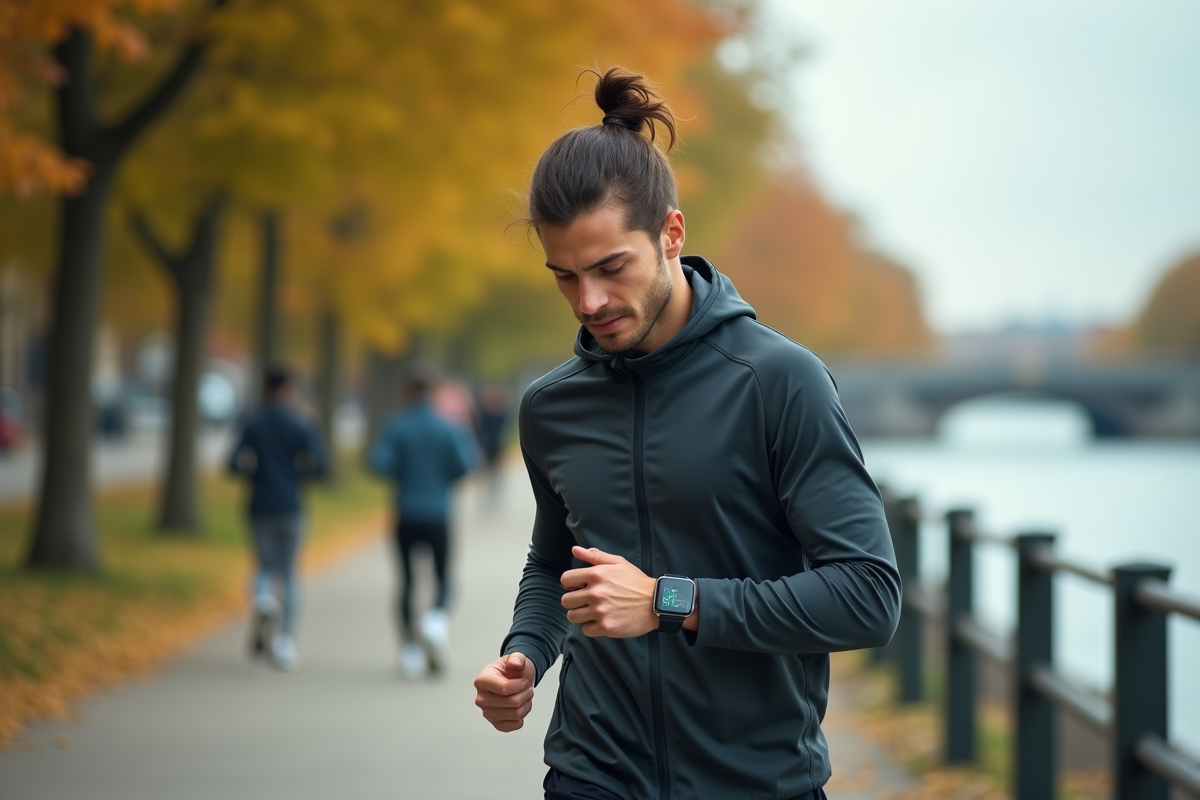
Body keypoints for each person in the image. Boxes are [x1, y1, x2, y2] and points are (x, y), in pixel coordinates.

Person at [472, 67, 902, 800]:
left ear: (671, 233)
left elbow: (867, 595)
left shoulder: (778, 382)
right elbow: (554, 565)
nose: (591, 301)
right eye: (565, 277)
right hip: (589, 778)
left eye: (611, 267)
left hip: (758, 783)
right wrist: (524, 656)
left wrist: (672, 600)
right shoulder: (551, 408)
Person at [370, 367, 477, 678]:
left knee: (406, 582)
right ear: (432, 393)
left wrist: (404, 473)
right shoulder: (448, 427)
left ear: (406, 392)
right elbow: (465, 465)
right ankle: (435, 621)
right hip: (438, 513)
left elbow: (380, 464)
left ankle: (409, 650)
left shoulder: (396, 426)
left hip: (405, 513)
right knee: (444, 578)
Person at [227, 366, 329, 672]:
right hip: (291, 506)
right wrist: (299, 473)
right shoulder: (302, 424)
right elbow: (321, 466)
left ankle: (261, 598)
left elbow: (232, 464)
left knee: (264, 566)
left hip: (259, 505)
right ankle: (284, 641)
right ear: (289, 390)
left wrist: (254, 472)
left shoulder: (252, 423)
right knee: (289, 574)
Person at [476, 383, 512, 506]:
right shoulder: (487, 414)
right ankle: (486, 496)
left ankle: (493, 496)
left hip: (495, 445)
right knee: (486, 473)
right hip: (487, 445)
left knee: (495, 473)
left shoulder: (497, 414)